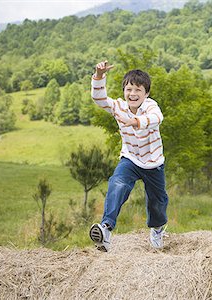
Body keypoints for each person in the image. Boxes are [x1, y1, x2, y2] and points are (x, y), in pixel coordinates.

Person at [89, 60, 169, 251]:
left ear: (146, 93)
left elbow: (157, 118)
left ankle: (157, 229)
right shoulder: (118, 106)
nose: (132, 94)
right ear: (124, 91)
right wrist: (99, 76)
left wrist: (133, 121)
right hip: (130, 158)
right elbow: (99, 98)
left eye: (138, 90)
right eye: (129, 89)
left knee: (158, 201)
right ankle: (106, 229)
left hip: (153, 162)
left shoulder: (151, 106)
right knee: (117, 183)